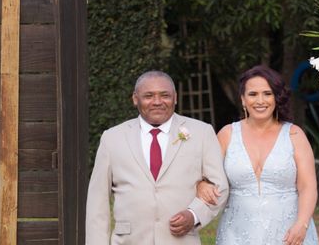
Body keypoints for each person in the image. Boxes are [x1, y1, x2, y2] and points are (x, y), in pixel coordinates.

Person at [85, 70, 229, 245]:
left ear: (175, 98)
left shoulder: (201, 132)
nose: (157, 102)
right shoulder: (112, 138)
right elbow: (97, 202)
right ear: (135, 98)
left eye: (165, 95)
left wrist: (194, 215)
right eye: (148, 96)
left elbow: (219, 186)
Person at [197, 65, 319, 245]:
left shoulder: (295, 135)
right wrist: (201, 184)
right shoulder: (227, 134)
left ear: (276, 98)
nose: (260, 100)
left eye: (267, 93)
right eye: (253, 94)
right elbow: (206, 173)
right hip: (236, 233)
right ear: (243, 100)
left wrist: (301, 225)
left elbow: (307, 186)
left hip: (289, 234)